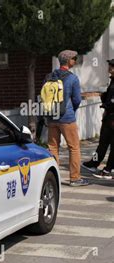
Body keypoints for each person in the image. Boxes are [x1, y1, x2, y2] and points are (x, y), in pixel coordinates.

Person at [46, 50, 88, 187]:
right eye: (74, 59)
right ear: (68, 61)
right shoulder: (72, 78)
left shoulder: (49, 76)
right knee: (74, 148)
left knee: (53, 148)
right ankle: (75, 178)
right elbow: (76, 100)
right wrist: (72, 111)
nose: (75, 61)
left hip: (52, 116)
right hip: (67, 117)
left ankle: (54, 178)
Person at [81, 59, 114, 180]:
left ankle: (108, 169)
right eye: (110, 66)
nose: (109, 68)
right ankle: (94, 163)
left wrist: (107, 104)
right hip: (108, 117)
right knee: (103, 143)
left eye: (112, 67)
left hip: (112, 117)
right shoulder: (112, 81)